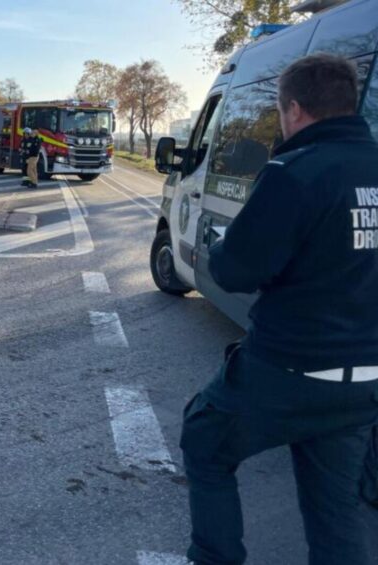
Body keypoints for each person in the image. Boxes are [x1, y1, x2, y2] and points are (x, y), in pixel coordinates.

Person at [180, 53, 378, 565]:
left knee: (205, 439)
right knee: (337, 514)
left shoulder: (294, 172)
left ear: (293, 109)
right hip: (364, 383)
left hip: (288, 370)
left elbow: (236, 270)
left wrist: (222, 248)